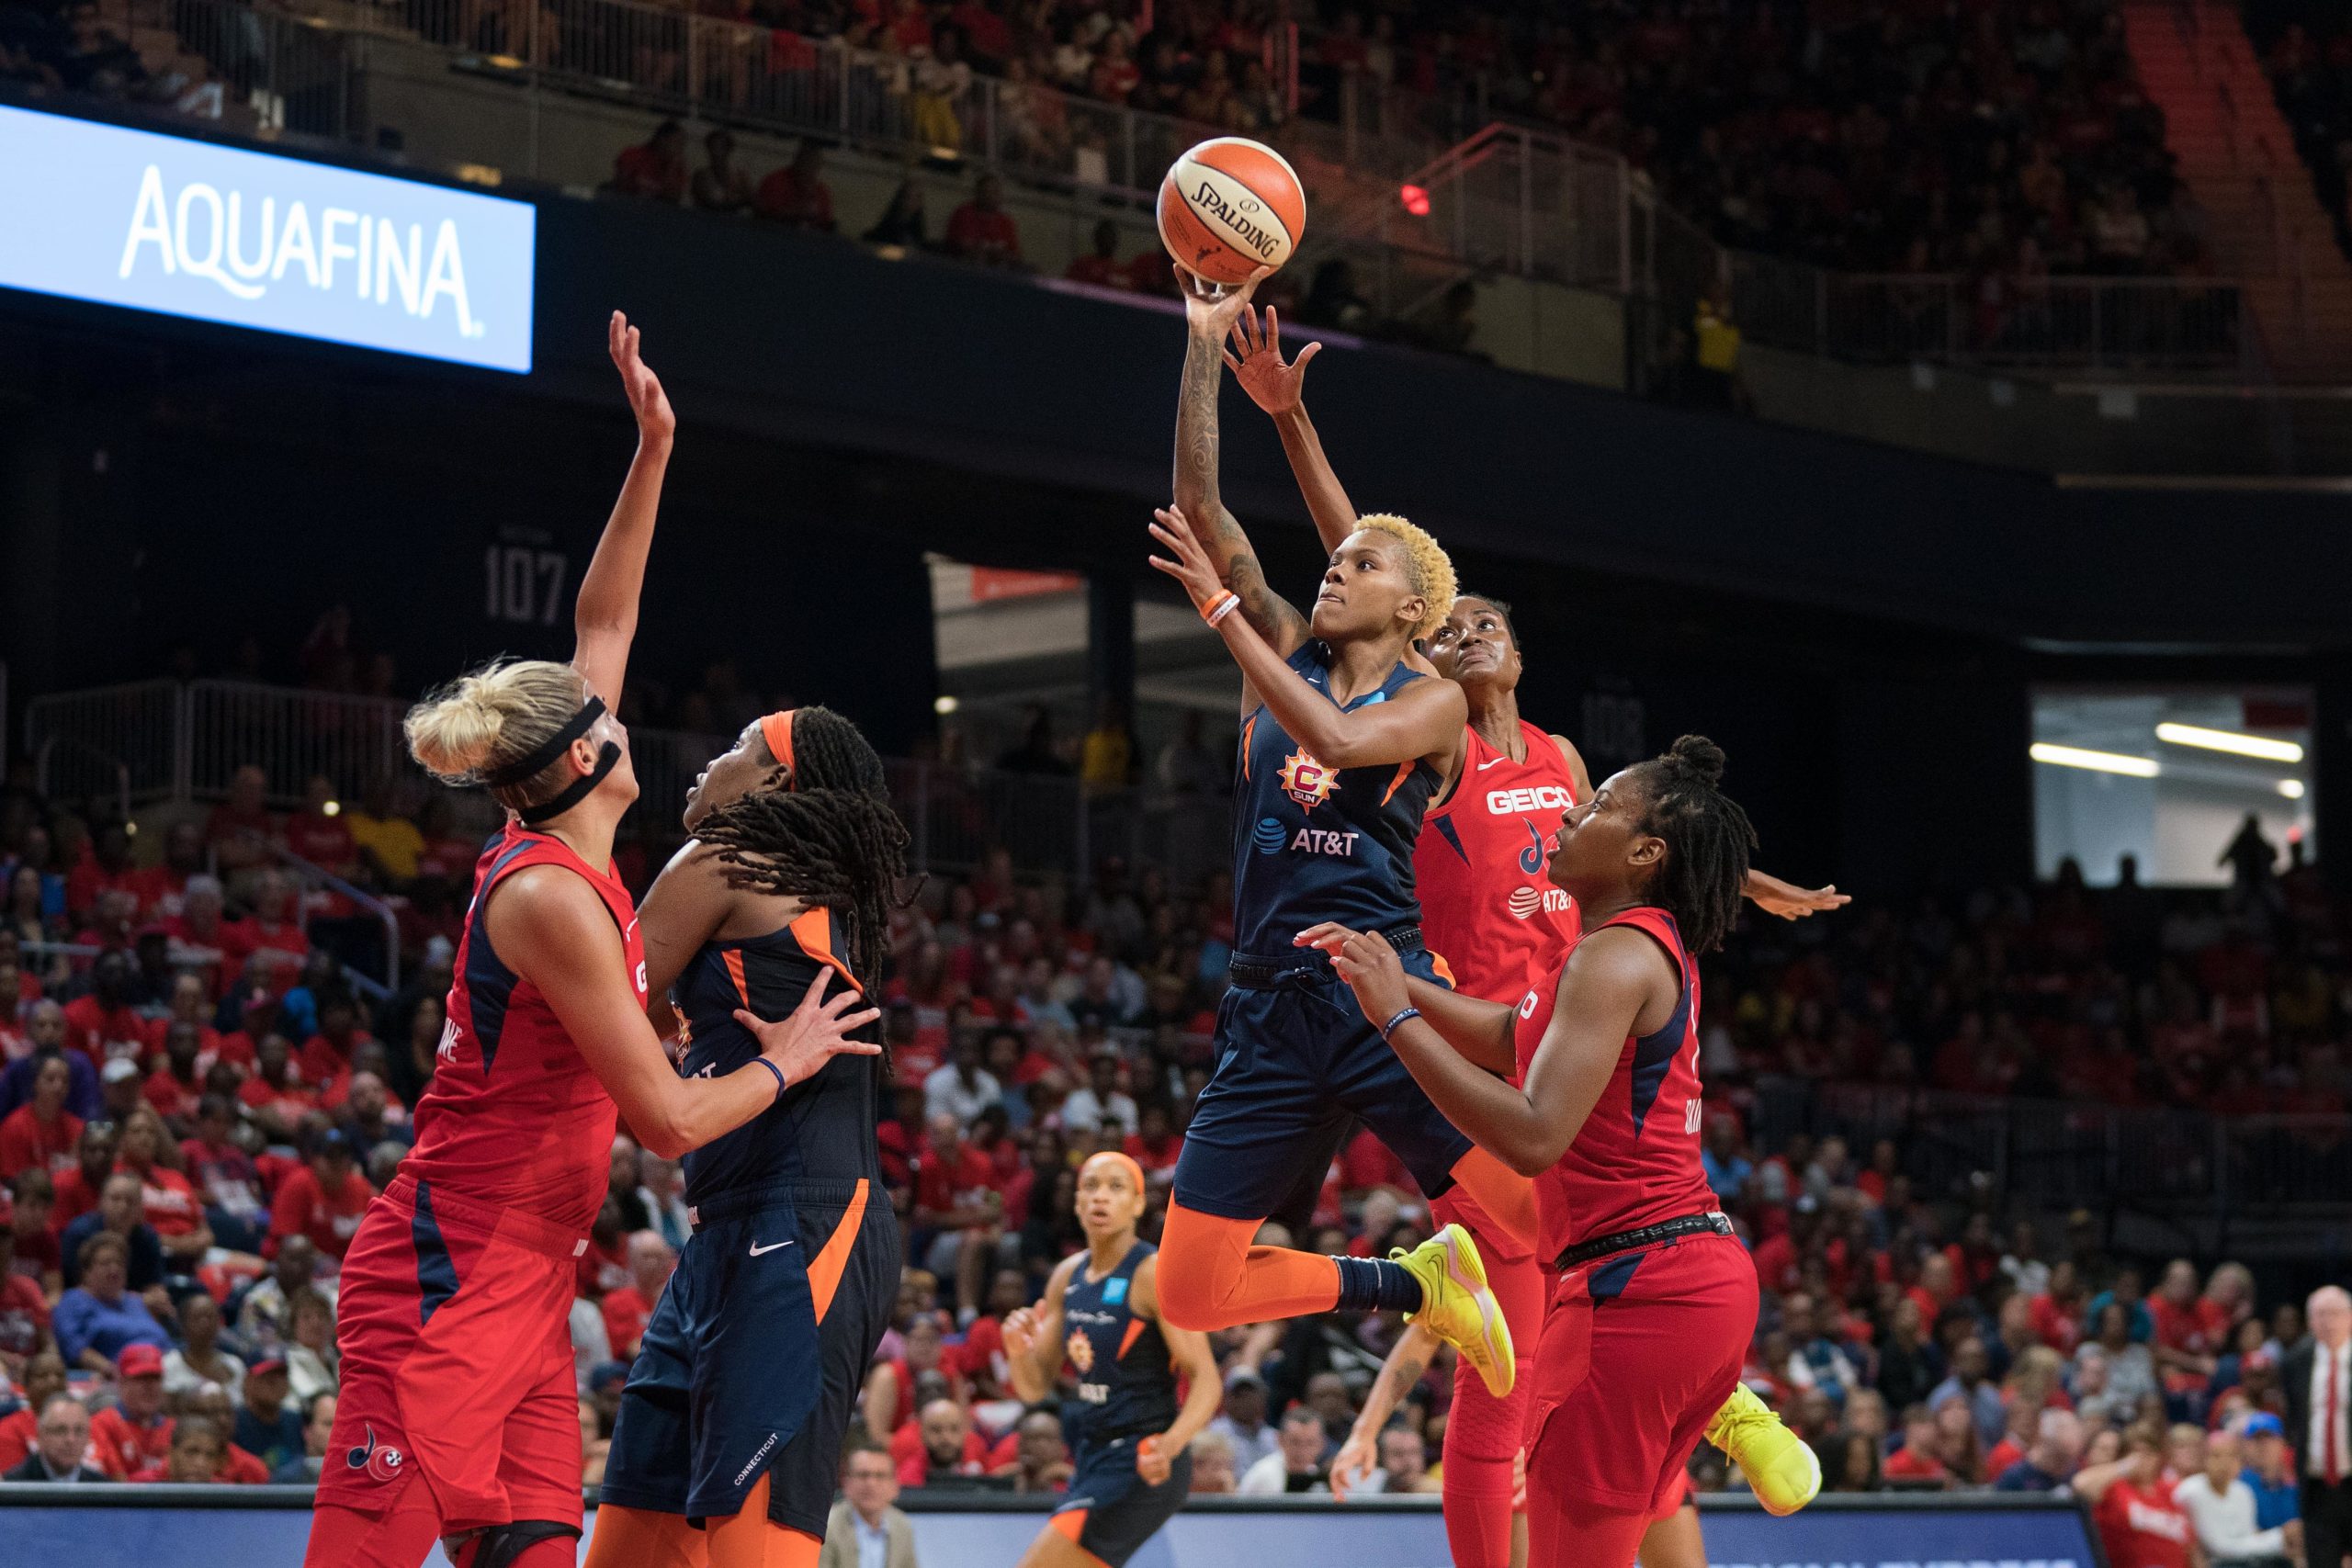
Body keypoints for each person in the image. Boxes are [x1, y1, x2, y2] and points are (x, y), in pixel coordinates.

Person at [1227, 301, 1837, 1565]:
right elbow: (1367, 564)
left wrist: (1748, 883)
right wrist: (1293, 428)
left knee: (1527, 1332)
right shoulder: (1437, 735)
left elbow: (1670, 837)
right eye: (1454, 628)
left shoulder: (1567, 766)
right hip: (1509, 1036)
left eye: (1489, 622)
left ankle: (1698, 1391)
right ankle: (1711, 1394)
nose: (1475, 630)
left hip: (1543, 1074)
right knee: (1514, 1332)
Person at [302, 316, 879, 1568]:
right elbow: (667, 1119)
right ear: (580, 756)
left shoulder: (578, 838)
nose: (620, 704)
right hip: (445, 1267)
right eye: (598, 712)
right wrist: (788, 1054)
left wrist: (654, 447)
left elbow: (604, 612)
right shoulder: (554, 895)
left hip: (526, 1275)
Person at [1136, 266, 1519, 1393]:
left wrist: (1222, 617)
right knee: (1196, 1291)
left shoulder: (1433, 701)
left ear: (1413, 611)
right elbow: (1205, 514)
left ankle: (1714, 1396)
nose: (1333, 566)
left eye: (1361, 565)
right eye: (1334, 560)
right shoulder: (1289, 655)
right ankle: (1414, 1284)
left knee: (1539, 1222)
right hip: (1266, 1000)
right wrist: (1202, 346)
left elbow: (1347, 748)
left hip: (1387, 989)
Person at [1308, 734, 1767, 1563]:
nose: (1569, 810)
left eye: (1596, 808)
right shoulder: (1629, 947)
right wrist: (1393, 977)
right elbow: (1505, 1034)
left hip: (1634, 1292)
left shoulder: (1612, 955)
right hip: (1686, 1281)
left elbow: (1531, 1134)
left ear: (1643, 851)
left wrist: (1395, 1021)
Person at [593, 705, 905, 1568]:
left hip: (800, 1225)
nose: (707, 758)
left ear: (776, 781)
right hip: (732, 1231)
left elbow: (607, 1001)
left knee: (752, 1551)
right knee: (630, 1544)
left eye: (735, 746)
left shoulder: (729, 854)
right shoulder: (811, 883)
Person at [1000, 1152, 1223, 1568]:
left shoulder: (1152, 1273)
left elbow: (1207, 1380)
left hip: (1144, 1460)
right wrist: (1017, 1353)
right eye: (1091, 1186)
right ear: (1077, 1201)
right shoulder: (1066, 1277)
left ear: (1138, 1204)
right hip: (1092, 1455)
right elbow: (1034, 1387)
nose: (1101, 1197)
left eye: (1116, 1187)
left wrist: (1171, 1444)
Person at [2283, 1283, 2352, 1568]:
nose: (2329, 1322)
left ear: (2351, 1317)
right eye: (2321, 1314)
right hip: (2317, 1484)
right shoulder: (2296, 1360)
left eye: (2336, 1313)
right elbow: (2293, 1417)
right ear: (2310, 1321)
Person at [2176, 1427, 2295, 1567]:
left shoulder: (2243, 1491)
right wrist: (2281, 1537)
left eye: (2231, 1456)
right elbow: (2219, 1547)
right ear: (2203, 1459)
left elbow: (2248, 1538)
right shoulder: (2190, 1491)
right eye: (2216, 1456)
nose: (2224, 1463)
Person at [2078, 1429, 2195, 1568]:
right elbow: (2081, 1485)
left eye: (2148, 1453)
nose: (2141, 1460)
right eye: (2135, 1453)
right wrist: (2124, 1466)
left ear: (2158, 1457)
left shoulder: (2172, 1491)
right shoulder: (2114, 1488)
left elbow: (2192, 1548)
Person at [820, 1445, 919, 1568]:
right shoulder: (827, 1527)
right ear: (846, 1483)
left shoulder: (902, 1526)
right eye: (863, 1475)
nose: (871, 1483)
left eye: (880, 1475)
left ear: (895, 1485)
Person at [3, 1394, 108, 1483]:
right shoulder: (11, 1486)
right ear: (40, 1436)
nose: (70, 1440)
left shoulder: (103, 1489)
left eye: (79, 1431)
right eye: (60, 1430)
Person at [1238, 1405, 1329, 1495]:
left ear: (1322, 1444)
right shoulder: (1265, 1475)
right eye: (1295, 1442)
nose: (1302, 1451)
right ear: (1280, 1440)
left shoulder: (1317, 1478)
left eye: (1310, 1443)